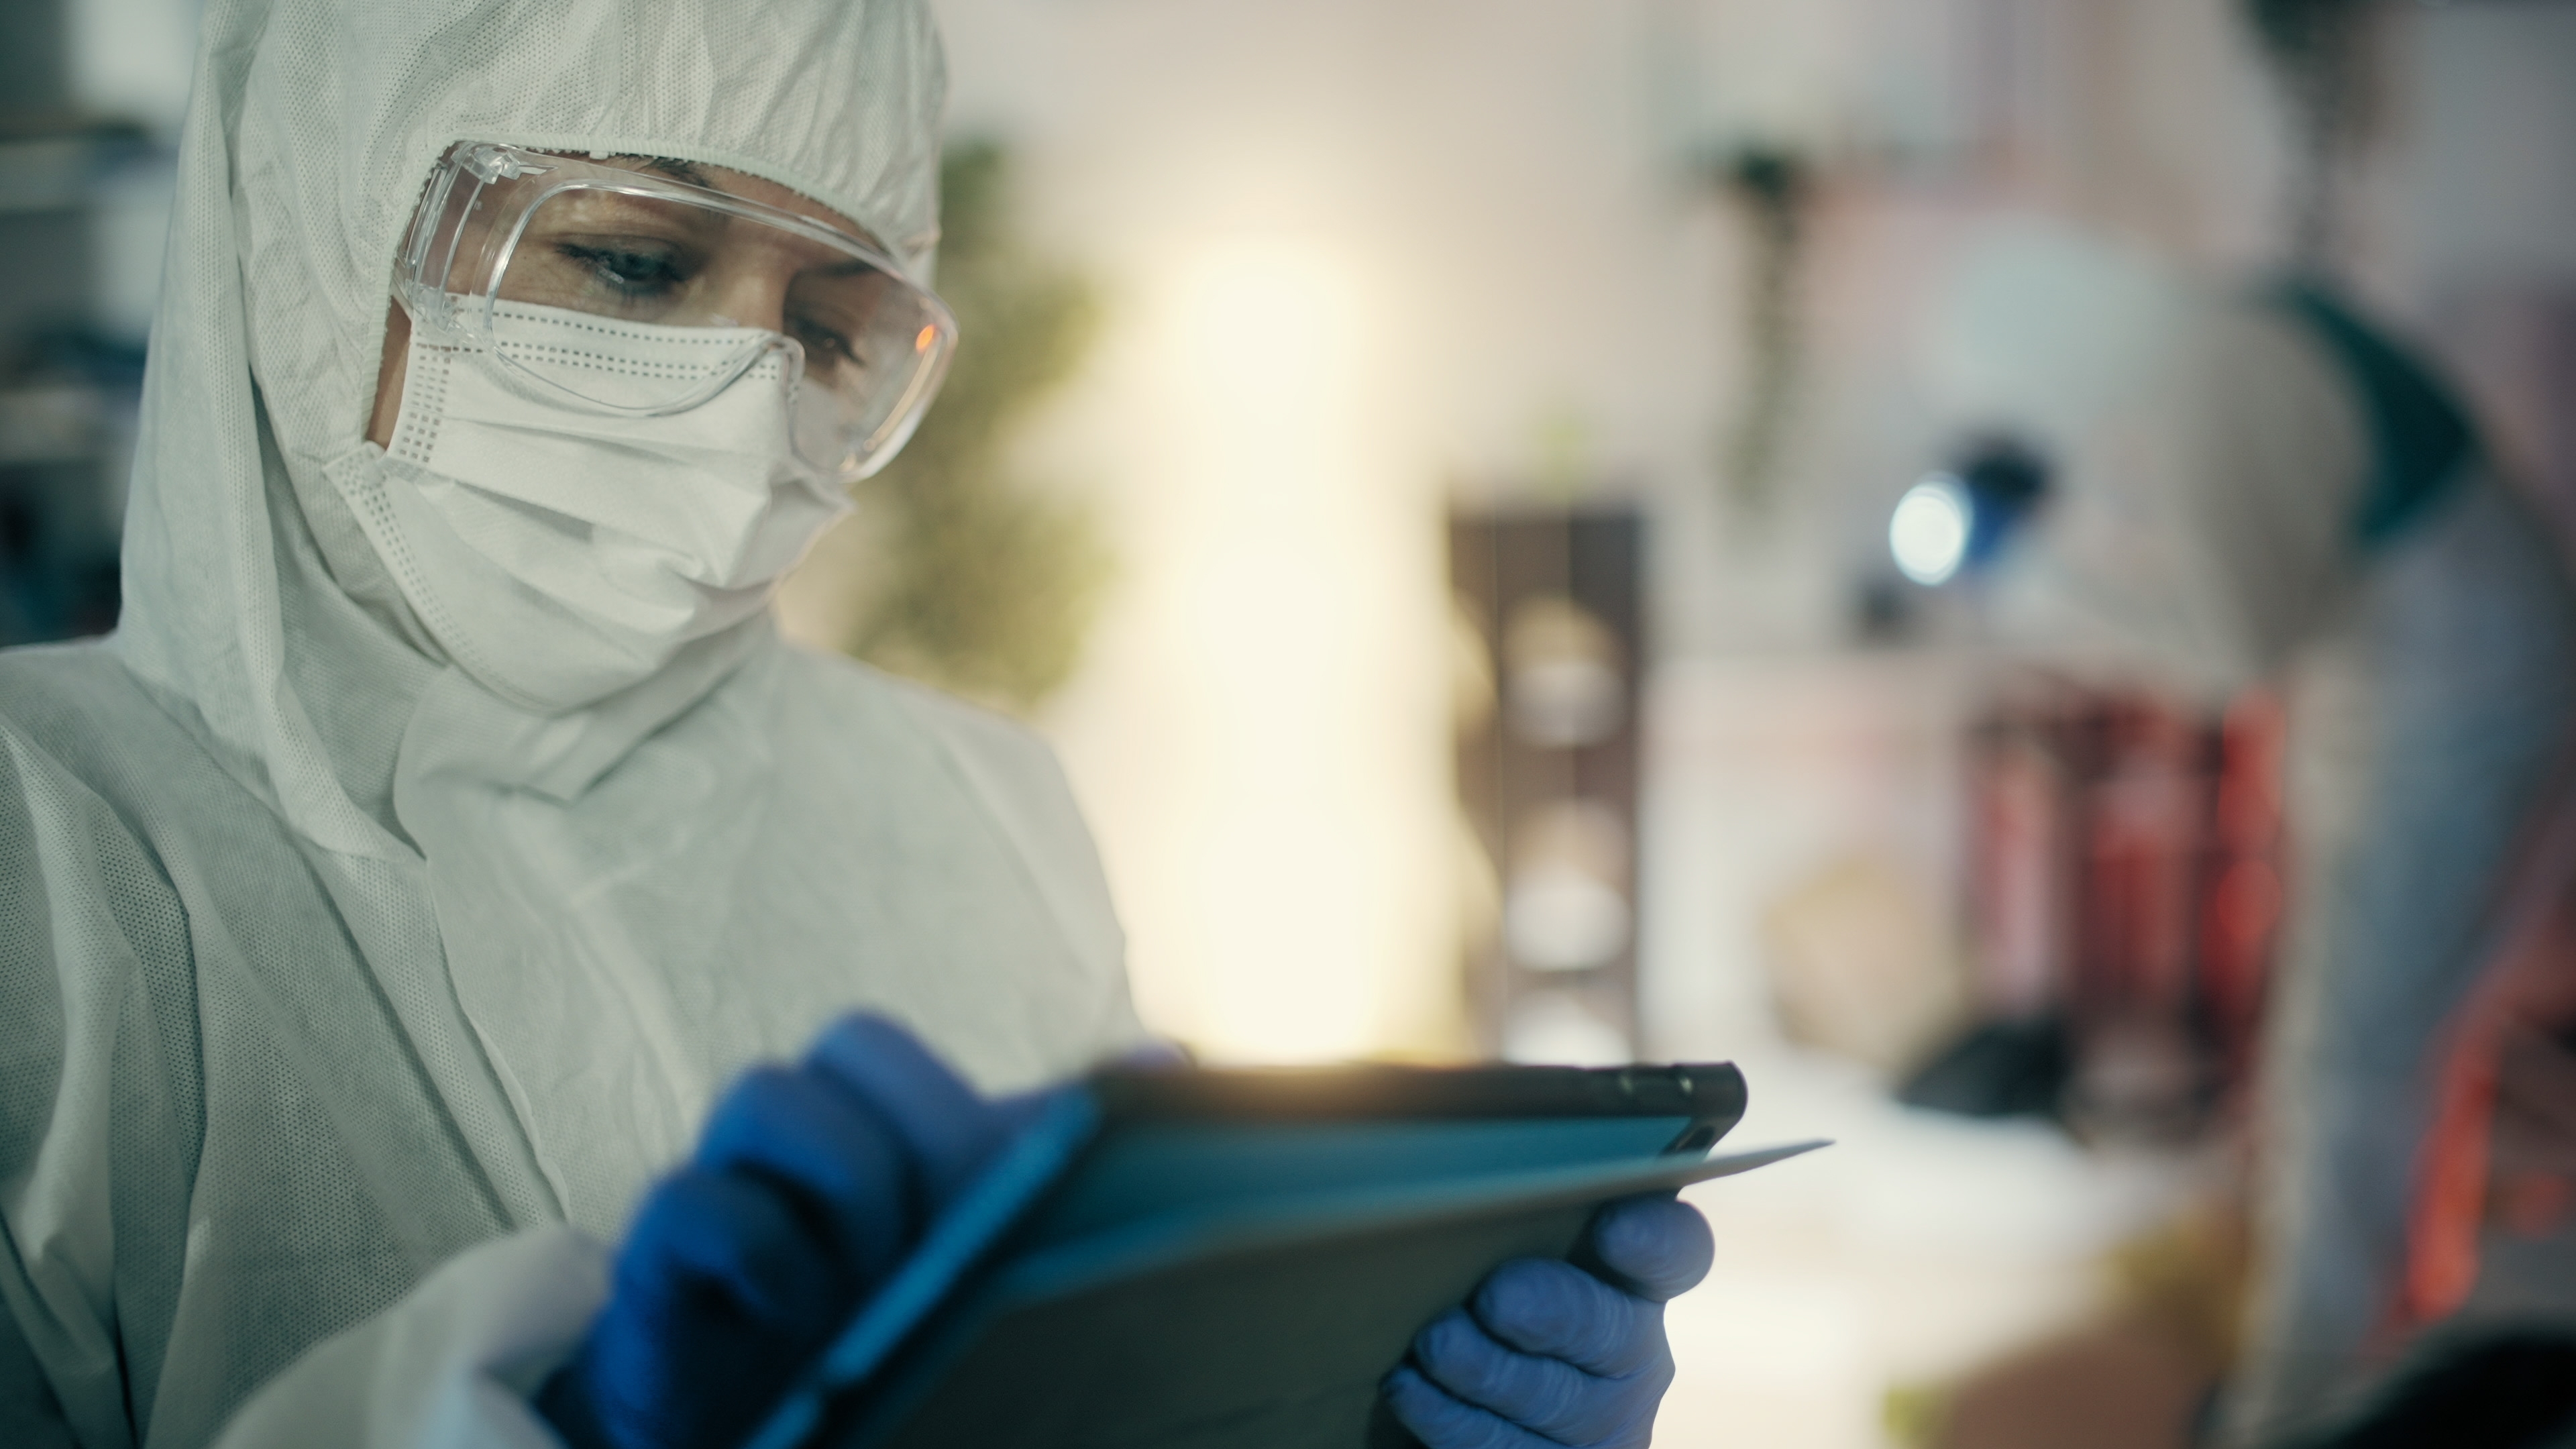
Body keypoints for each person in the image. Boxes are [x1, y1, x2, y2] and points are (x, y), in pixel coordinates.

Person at [0, 1, 1711, 1446]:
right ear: (312, 212)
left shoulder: (977, 809)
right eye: (632, 261)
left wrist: (1365, 1401)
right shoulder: (48, 858)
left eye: (830, 325)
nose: (749, 412)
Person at [1979, 276, 2576, 1442]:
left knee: (2351, 1068)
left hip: (2451, 710)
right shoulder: (2236, 336)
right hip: (2431, 697)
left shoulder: (2221, 372)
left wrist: (2035, 574)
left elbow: (2228, 648)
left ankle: (2305, 1415)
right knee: (2370, 1061)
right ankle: (2352, 1374)